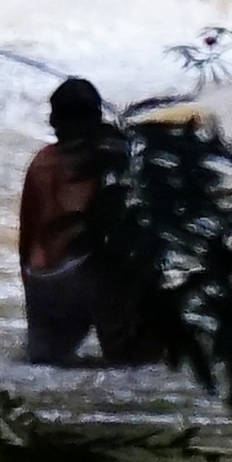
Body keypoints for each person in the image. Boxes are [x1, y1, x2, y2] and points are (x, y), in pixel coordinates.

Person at [18, 73, 167, 364]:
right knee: (132, 361)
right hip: (85, 274)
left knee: (44, 363)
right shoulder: (107, 156)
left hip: (39, 278)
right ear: (95, 119)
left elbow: (26, 239)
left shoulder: (39, 162)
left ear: (55, 122)